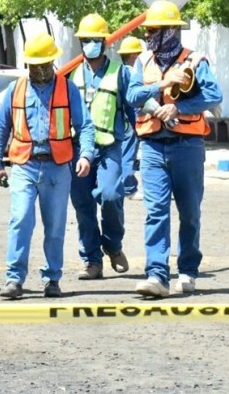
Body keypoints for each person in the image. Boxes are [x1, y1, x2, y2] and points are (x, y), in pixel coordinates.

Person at [126, 0, 222, 298]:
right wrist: (163, 85)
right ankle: (157, 275)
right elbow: (131, 95)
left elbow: (213, 95)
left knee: (189, 212)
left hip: (187, 146)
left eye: (154, 30)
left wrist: (177, 107)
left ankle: (188, 270)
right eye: (148, 31)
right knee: (156, 211)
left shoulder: (194, 61)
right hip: (153, 147)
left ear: (171, 32)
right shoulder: (143, 62)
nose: (149, 37)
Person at [0, 33, 94, 299]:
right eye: (35, 66)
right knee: (21, 219)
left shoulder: (67, 89)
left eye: (45, 65)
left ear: (53, 62)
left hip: (57, 166)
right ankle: (14, 279)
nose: (40, 71)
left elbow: (85, 126)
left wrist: (86, 155)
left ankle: (52, 279)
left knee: (55, 225)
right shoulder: (16, 90)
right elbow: (2, 127)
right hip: (25, 164)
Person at [69, 14, 136, 280]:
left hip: (110, 148)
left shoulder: (120, 73)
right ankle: (92, 261)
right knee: (83, 206)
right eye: (85, 40)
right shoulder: (71, 74)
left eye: (94, 40)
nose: (89, 45)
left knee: (110, 195)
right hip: (77, 151)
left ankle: (113, 245)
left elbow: (133, 112)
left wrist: (133, 158)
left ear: (105, 43)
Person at [118, 36, 145, 200]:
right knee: (128, 154)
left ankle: (126, 185)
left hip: (123, 120)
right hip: (131, 119)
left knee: (124, 153)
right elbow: (133, 100)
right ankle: (129, 187)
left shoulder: (119, 71)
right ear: (134, 56)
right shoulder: (131, 74)